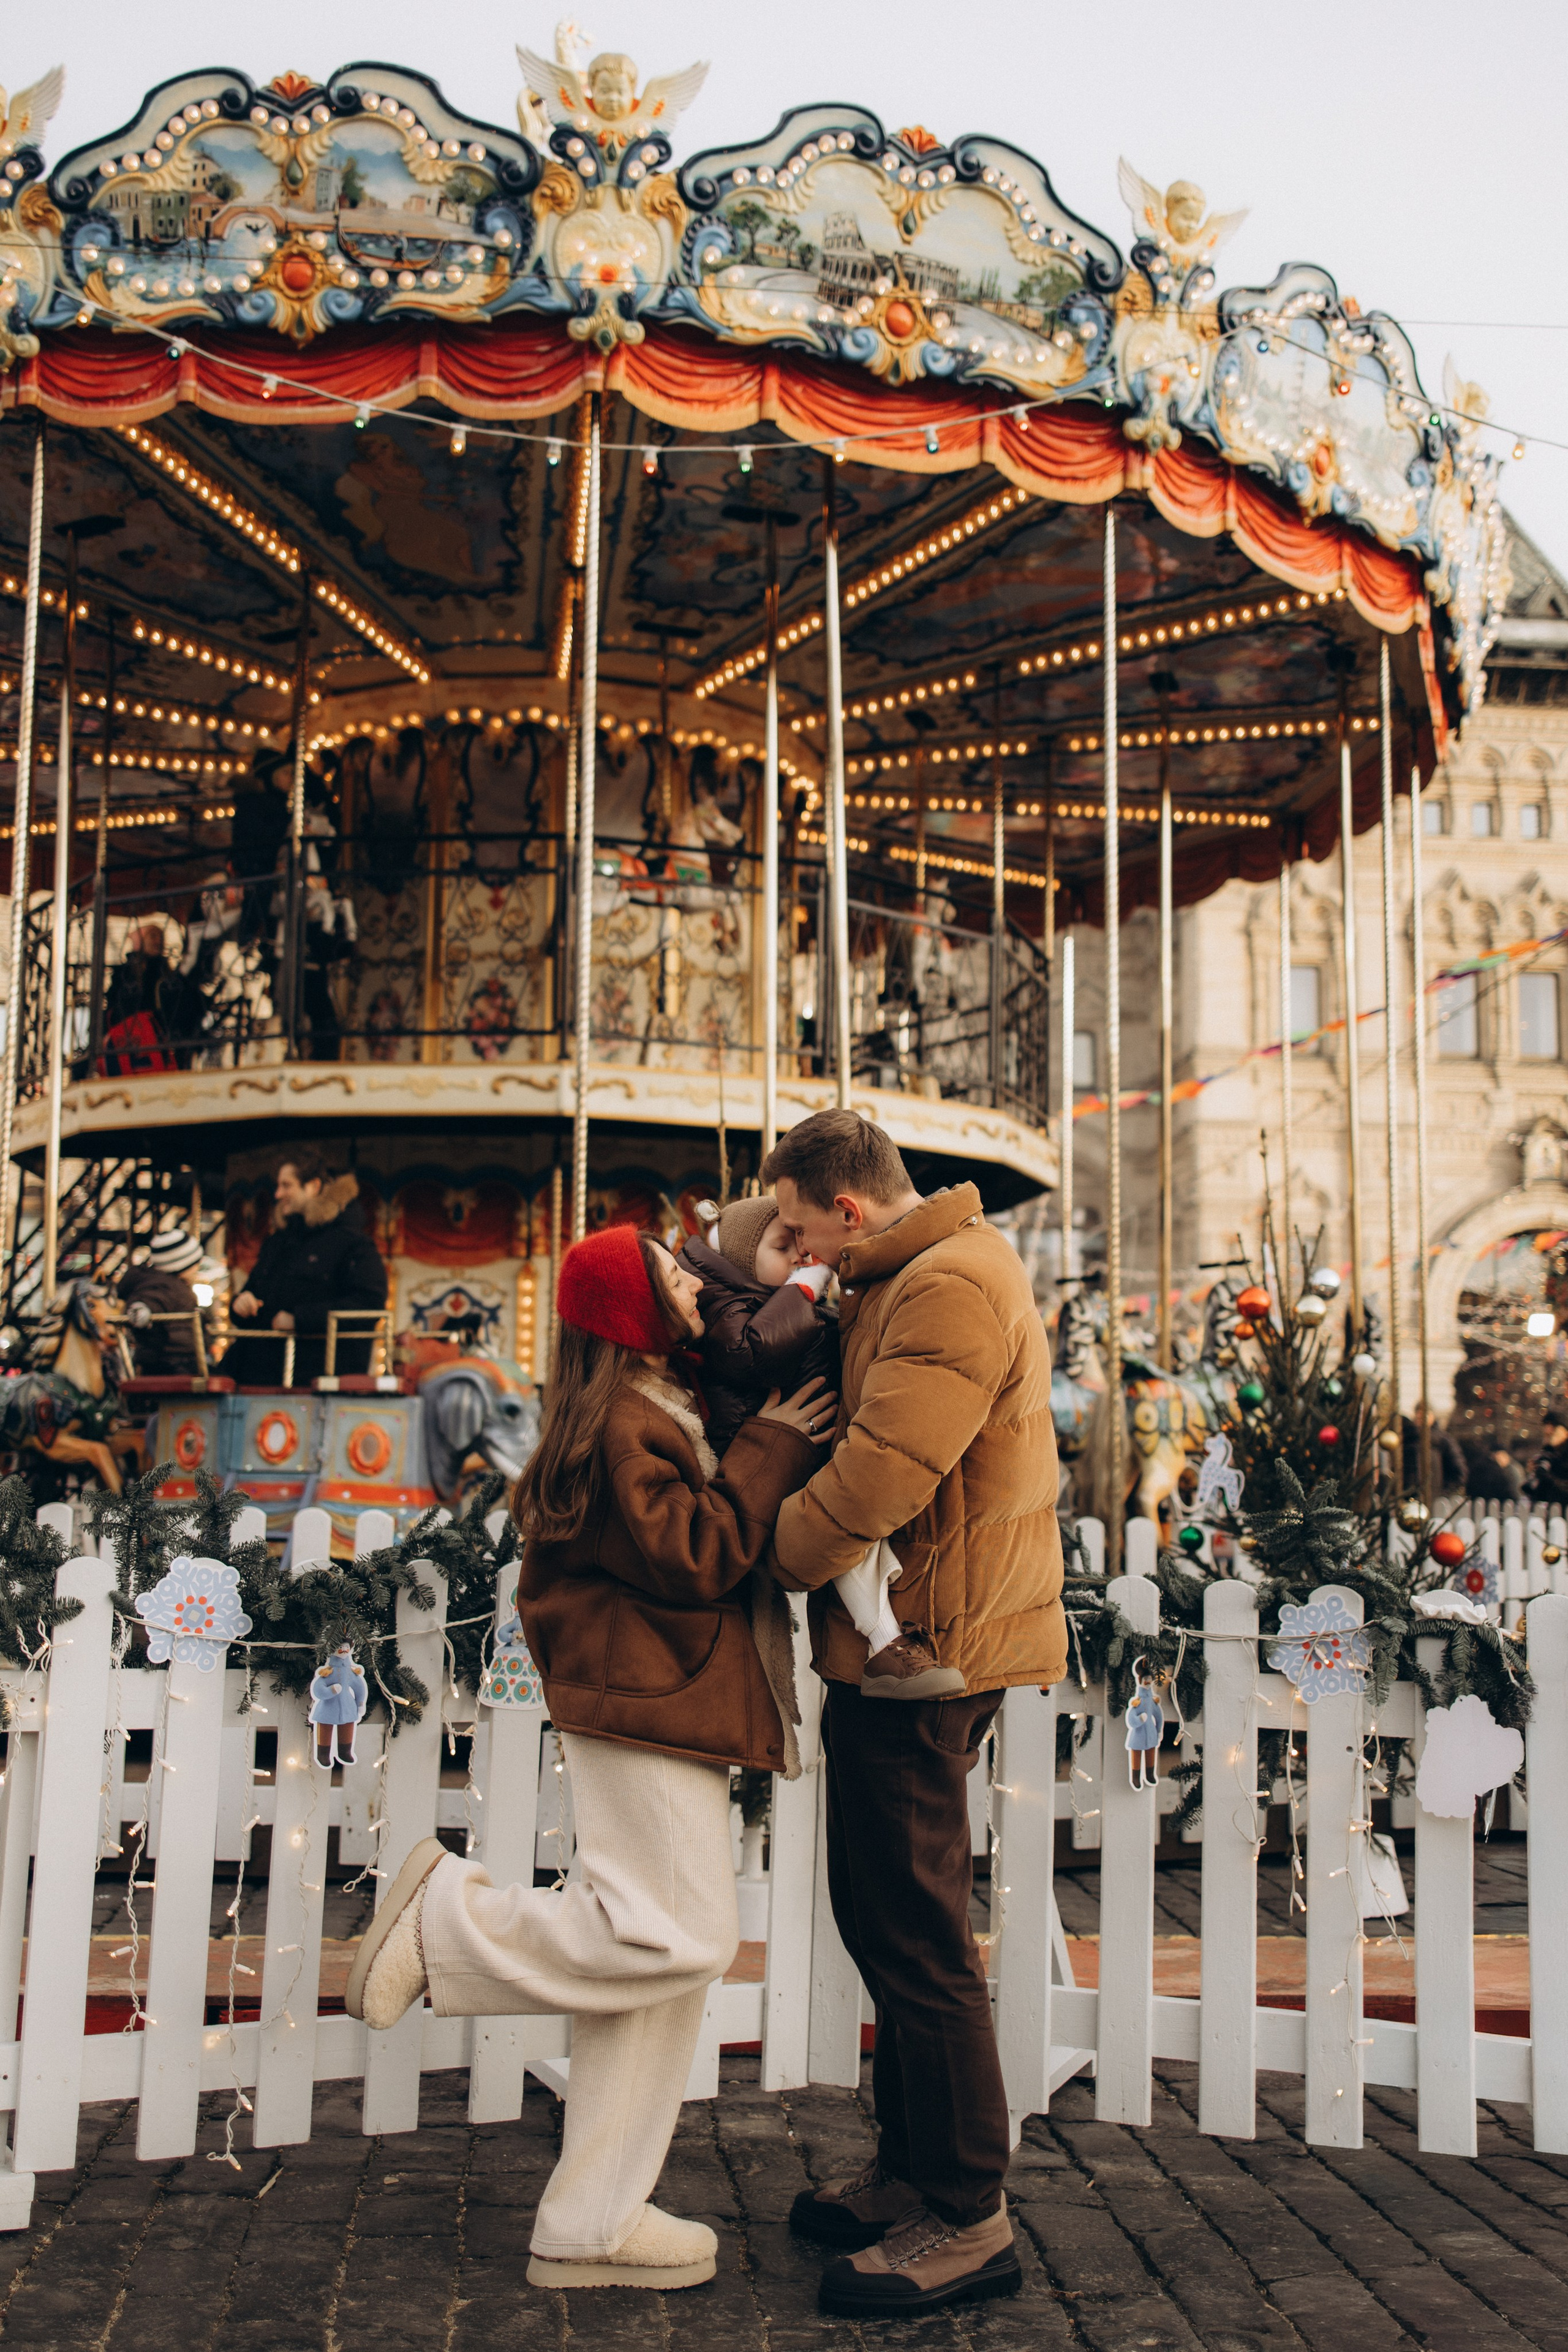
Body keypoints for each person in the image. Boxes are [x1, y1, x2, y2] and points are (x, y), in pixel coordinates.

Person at [341, 1223, 834, 2290]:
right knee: (681, 1935)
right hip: (643, 1695)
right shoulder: (624, 1421)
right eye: (668, 1276)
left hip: (669, 1691)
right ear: (629, 1315)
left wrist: (787, 1236)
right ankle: (449, 1918)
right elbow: (695, 1552)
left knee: (661, 1971)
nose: (691, 1284)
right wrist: (771, 1454)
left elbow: (729, 1251)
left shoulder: (656, 1402)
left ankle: (592, 2217)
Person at [761, 1109, 1065, 2320]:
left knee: (919, 1934)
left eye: (794, 1223)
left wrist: (770, 1548)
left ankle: (966, 2213)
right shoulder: (900, 1275)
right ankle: (910, 2170)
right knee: (882, 1911)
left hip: (927, 1648)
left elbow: (885, 1469)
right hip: (903, 1643)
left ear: (847, 1210)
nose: (781, 1244)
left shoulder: (945, 1285)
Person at [686, 1193, 958, 1698]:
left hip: (803, 1443)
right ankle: (884, 1641)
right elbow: (753, 1354)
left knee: (860, 1537)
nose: (798, 1257)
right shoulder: (726, 1306)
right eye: (781, 1245)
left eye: (800, 1244)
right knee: (844, 1531)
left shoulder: (764, 1301)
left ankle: (888, 1641)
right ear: (744, 1256)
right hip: (763, 1451)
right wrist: (804, 1291)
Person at [225, 1152, 388, 1385]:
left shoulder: (352, 1243)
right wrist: (241, 1303)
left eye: (286, 1186)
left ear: (313, 1186)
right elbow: (255, 1291)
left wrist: (300, 1320)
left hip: (312, 1374)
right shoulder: (278, 1243)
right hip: (261, 1372)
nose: (278, 1194)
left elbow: (369, 1304)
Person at [118, 1225, 203, 1376]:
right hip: (171, 1362)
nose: (198, 1268)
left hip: (177, 1359)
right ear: (181, 1265)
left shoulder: (174, 1286)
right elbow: (152, 1300)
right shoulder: (165, 1286)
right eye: (195, 1264)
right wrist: (142, 1309)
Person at [1528, 1410, 1568, 1509]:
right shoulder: (1546, 1453)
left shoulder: (1564, 1454)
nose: (1548, 1430)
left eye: (1553, 1427)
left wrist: (1547, 1478)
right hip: (1546, 1509)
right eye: (1546, 1426)